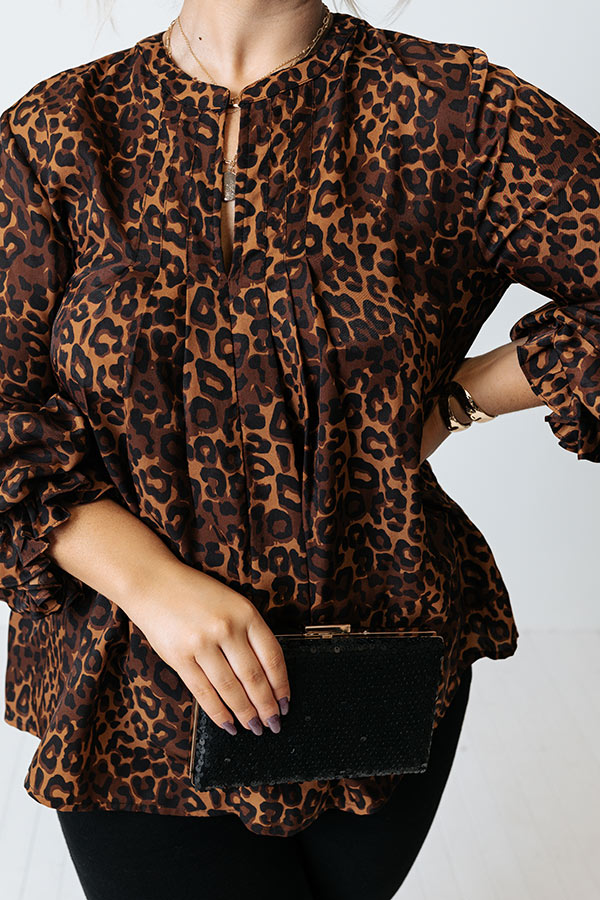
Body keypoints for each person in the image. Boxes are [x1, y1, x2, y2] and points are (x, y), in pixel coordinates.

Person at [0, 0, 598, 897]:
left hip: (377, 659)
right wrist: (154, 588)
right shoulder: (56, 135)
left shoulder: (453, 112)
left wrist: (464, 397)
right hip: (136, 684)